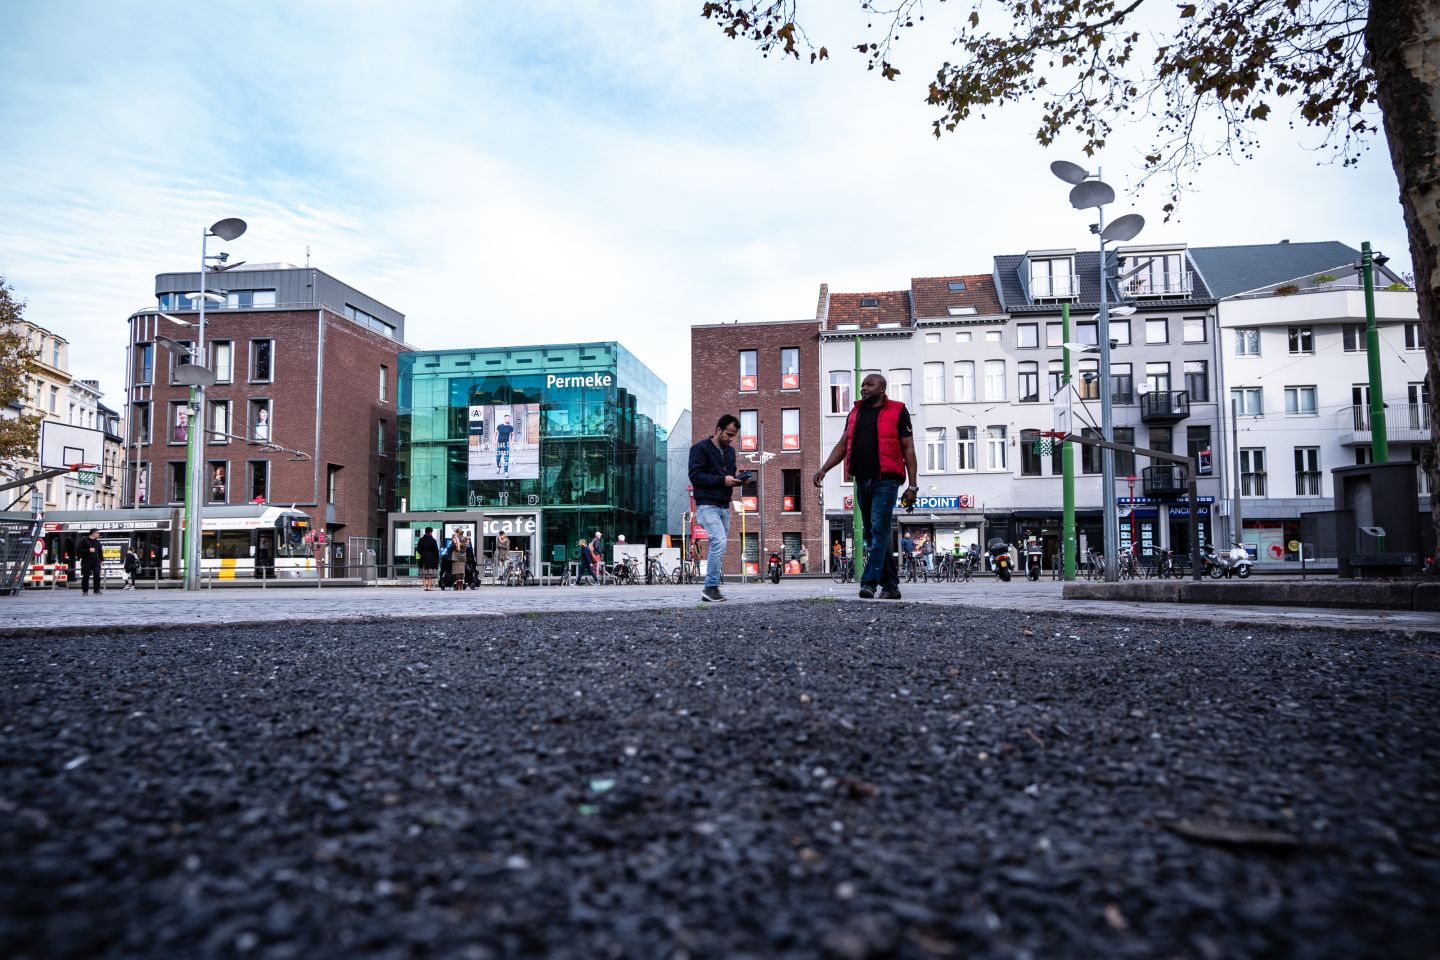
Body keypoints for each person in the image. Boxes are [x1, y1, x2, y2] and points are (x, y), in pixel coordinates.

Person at [813, 373, 918, 600]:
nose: (863, 388)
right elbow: (843, 444)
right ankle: (891, 586)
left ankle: (868, 583)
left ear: (882, 389)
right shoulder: (855, 413)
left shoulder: (898, 410)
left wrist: (913, 486)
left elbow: (908, 448)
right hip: (861, 480)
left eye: (869, 384)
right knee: (873, 535)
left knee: (879, 531)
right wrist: (824, 469)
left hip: (887, 480)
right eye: (862, 385)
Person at [688, 413, 742, 602]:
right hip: (706, 505)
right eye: (728, 434)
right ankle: (710, 588)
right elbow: (695, 476)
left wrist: (737, 480)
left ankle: (712, 588)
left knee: (719, 545)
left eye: (734, 435)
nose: (731, 439)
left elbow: (729, 474)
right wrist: (722, 480)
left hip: (723, 506)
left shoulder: (730, 452)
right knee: (719, 541)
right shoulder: (699, 449)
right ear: (718, 430)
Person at [77, 528, 104, 596]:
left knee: (97, 575)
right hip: (86, 561)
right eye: (98, 533)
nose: (99, 534)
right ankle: (85, 591)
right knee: (86, 576)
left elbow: (100, 551)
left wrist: (102, 560)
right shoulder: (84, 540)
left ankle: (96, 590)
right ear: (93, 533)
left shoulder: (97, 542)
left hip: (96, 562)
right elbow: (78, 550)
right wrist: (88, 550)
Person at [416, 527, 440, 591]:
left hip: (423, 557)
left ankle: (424, 587)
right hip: (431, 558)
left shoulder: (420, 540)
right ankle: (429, 587)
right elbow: (436, 550)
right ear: (430, 532)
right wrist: (437, 557)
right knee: (430, 574)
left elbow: (418, 549)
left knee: (423, 573)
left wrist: (422, 553)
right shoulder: (433, 540)